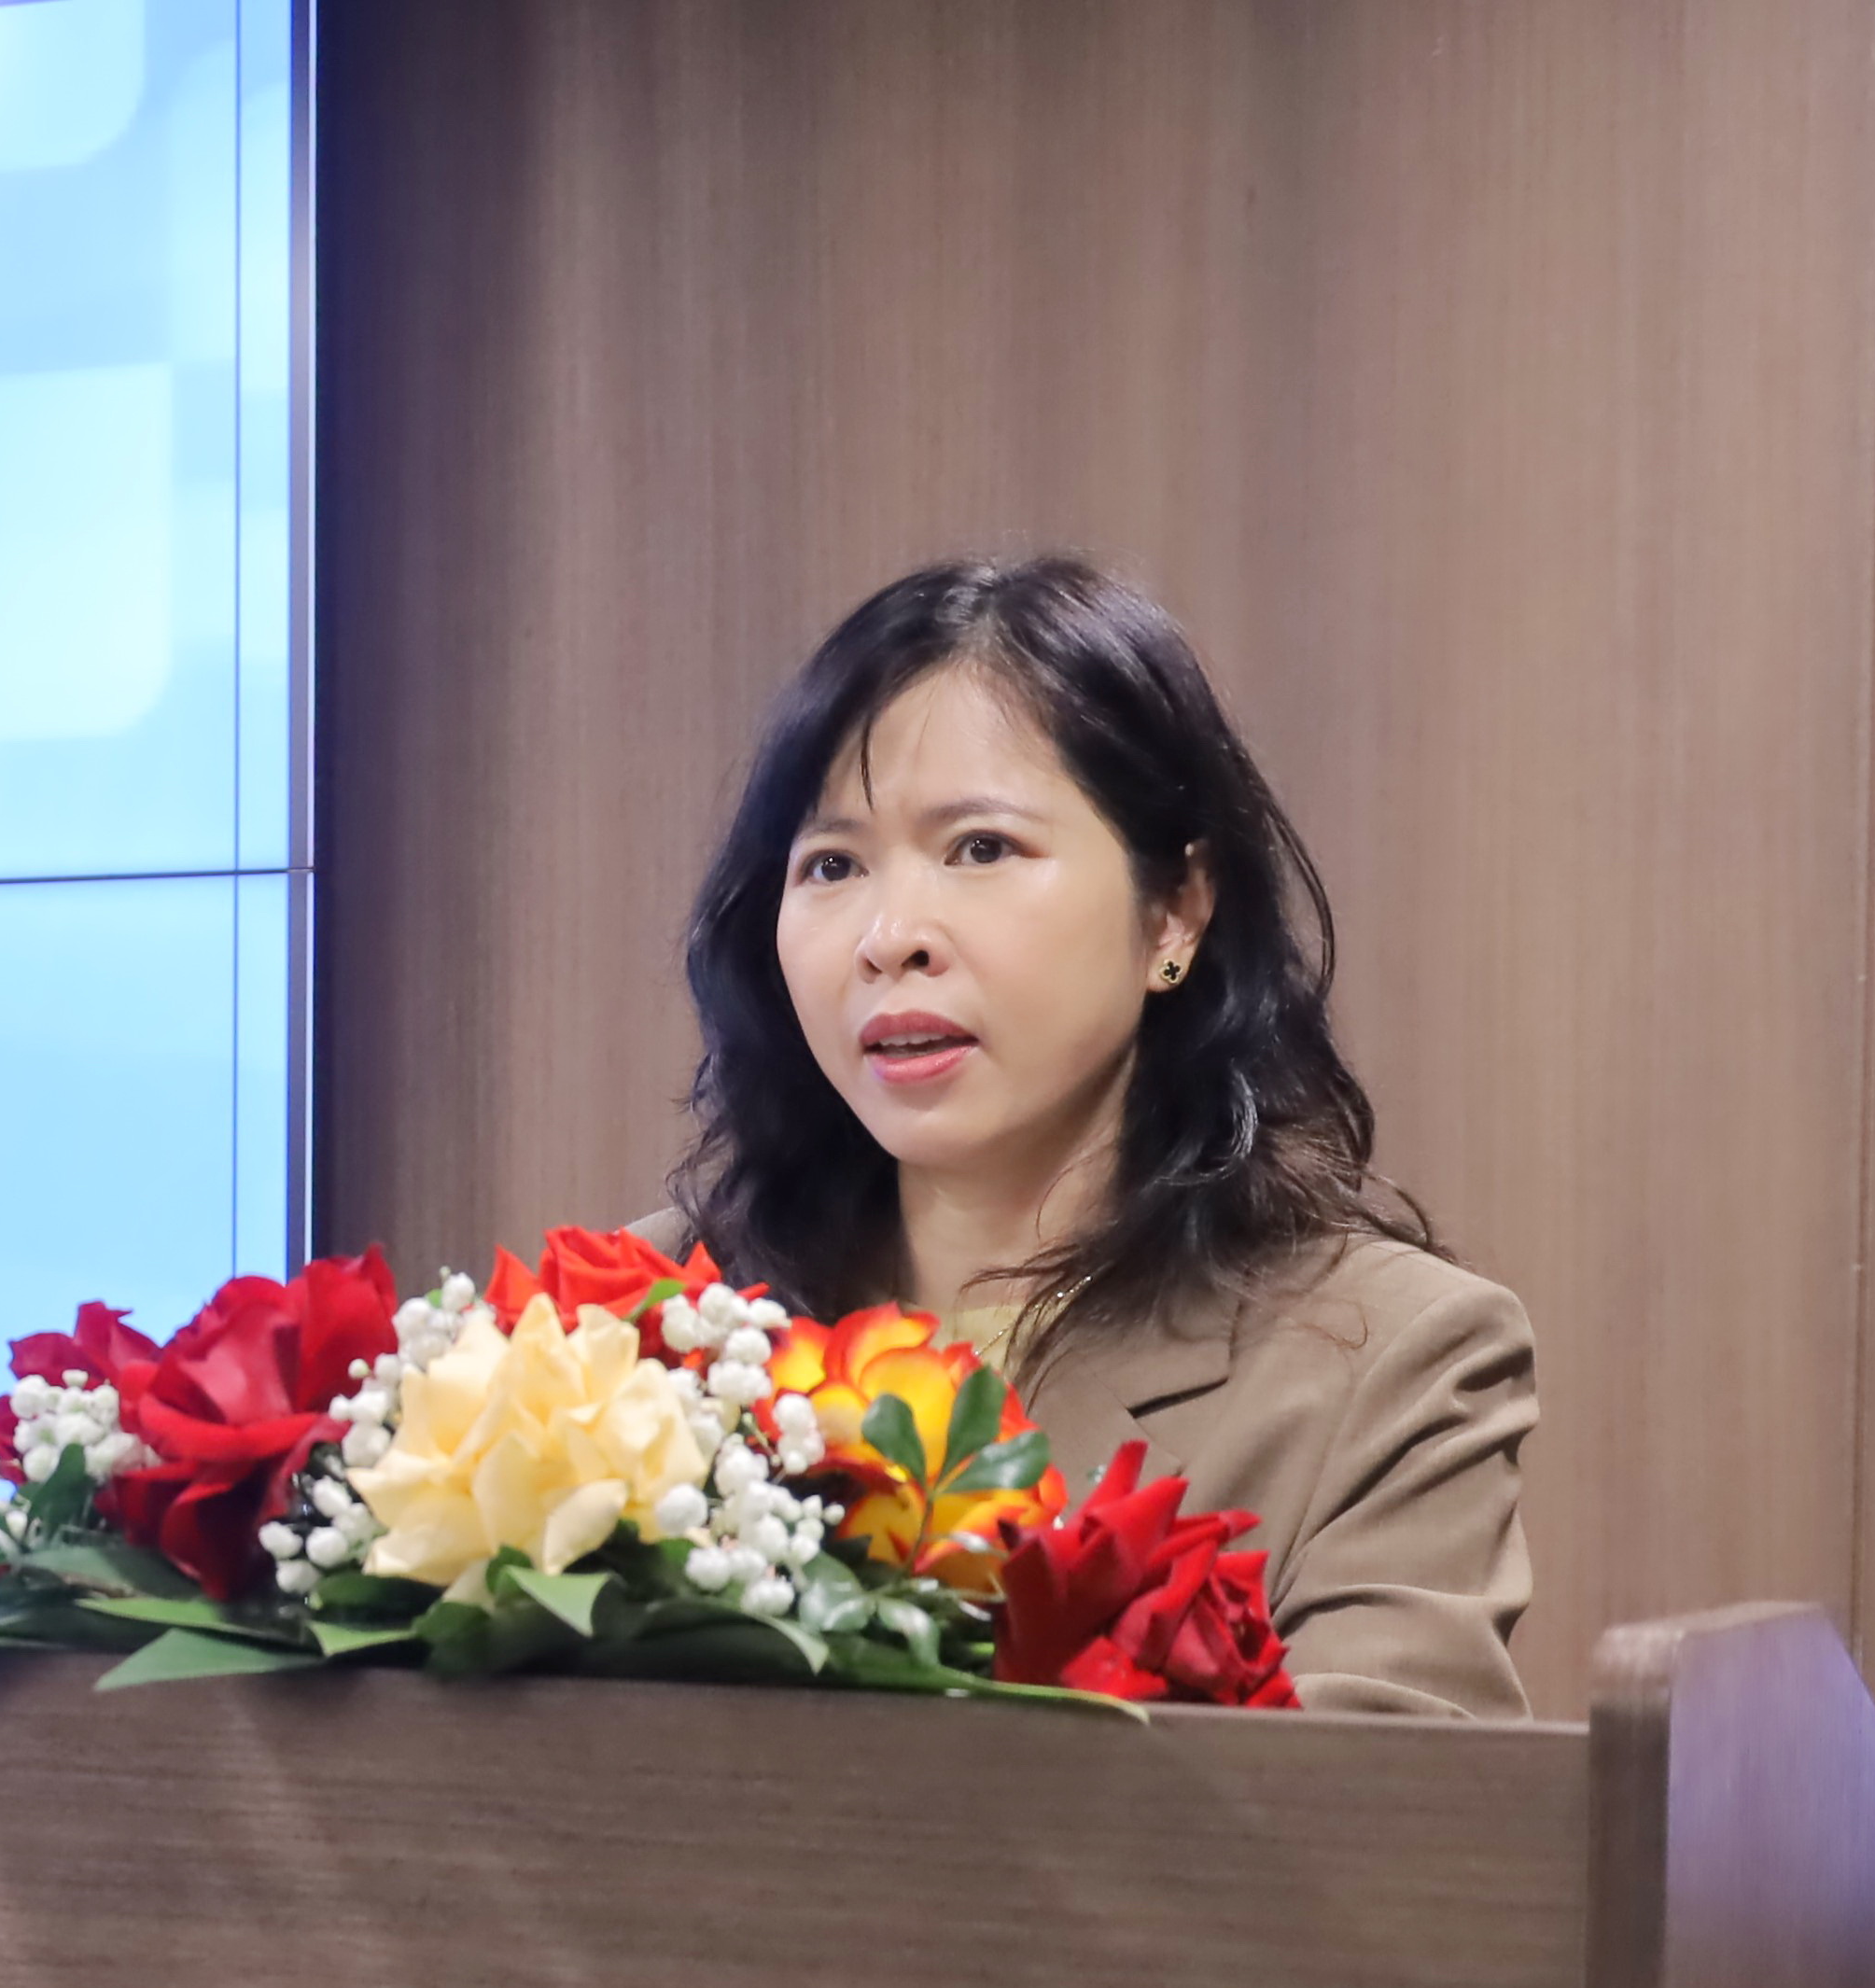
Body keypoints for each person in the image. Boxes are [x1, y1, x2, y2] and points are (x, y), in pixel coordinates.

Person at [626, 556, 1534, 1716]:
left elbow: (1382, 1813)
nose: (889, 936)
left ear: (1175, 910)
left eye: (980, 848)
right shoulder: (646, 1320)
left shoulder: (1389, 1361)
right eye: (832, 865)